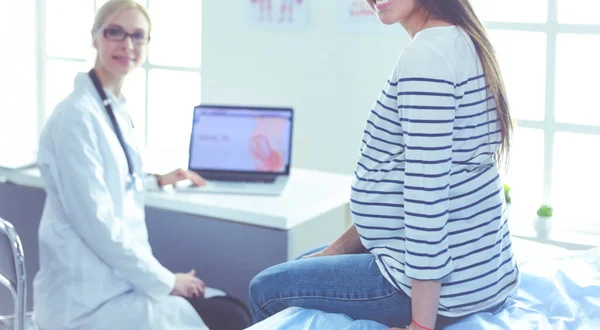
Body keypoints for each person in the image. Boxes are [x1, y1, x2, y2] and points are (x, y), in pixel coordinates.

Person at [249, 0, 518, 329]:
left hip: (440, 291)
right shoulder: (462, 39)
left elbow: (426, 200)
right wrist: (333, 252)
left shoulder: (427, 56)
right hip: (480, 279)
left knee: (265, 288)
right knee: (301, 265)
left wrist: (420, 325)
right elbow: (411, 186)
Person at [33, 1, 250, 329]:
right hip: (86, 300)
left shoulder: (110, 106)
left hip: (118, 283)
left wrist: (157, 181)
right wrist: (167, 281)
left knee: (230, 308)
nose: (127, 45)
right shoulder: (75, 117)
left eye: (138, 36)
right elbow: (98, 223)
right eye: (115, 32)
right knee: (230, 317)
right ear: (95, 38)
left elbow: (110, 180)